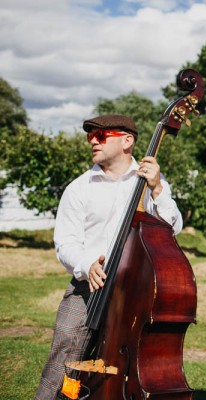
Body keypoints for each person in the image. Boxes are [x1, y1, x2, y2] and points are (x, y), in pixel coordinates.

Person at [35, 114, 183, 399]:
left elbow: (172, 229)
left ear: (127, 141)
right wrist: (86, 265)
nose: (92, 140)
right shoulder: (79, 188)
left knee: (134, 363)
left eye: (101, 135)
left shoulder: (151, 182)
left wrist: (158, 189)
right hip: (87, 289)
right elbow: (65, 243)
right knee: (65, 359)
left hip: (134, 294)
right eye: (90, 135)